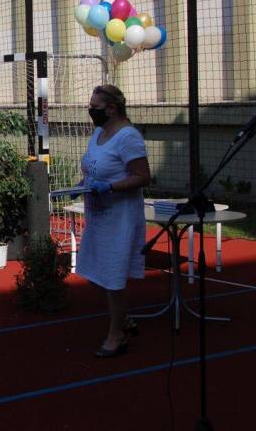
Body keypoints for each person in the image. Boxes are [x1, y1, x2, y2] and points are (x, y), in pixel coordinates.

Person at [75, 84, 151, 358]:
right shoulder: (98, 133)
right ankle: (124, 318)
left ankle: (116, 335)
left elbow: (142, 176)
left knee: (112, 276)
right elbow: (93, 168)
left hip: (120, 219)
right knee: (92, 271)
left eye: (95, 107)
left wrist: (111, 187)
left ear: (111, 108)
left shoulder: (128, 137)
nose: (91, 111)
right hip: (98, 216)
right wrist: (81, 185)